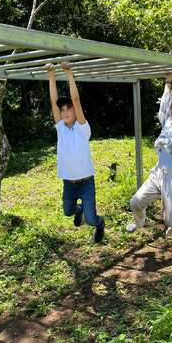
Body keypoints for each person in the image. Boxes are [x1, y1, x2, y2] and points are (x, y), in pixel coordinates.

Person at [126, 69, 172, 243]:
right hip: (158, 173)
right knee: (135, 202)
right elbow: (163, 107)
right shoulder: (168, 124)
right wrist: (167, 82)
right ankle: (139, 222)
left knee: (171, 219)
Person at [45, 62, 105, 243]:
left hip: (86, 183)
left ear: (76, 111)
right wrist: (51, 75)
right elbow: (52, 101)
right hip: (69, 183)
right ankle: (78, 211)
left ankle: (100, 223)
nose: (64, 112)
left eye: (67, 108)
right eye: (62, 109)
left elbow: (76, 100)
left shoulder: (82, 128)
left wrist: (69, 73)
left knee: (92, 219)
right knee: (68, 211)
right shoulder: (60, 128)